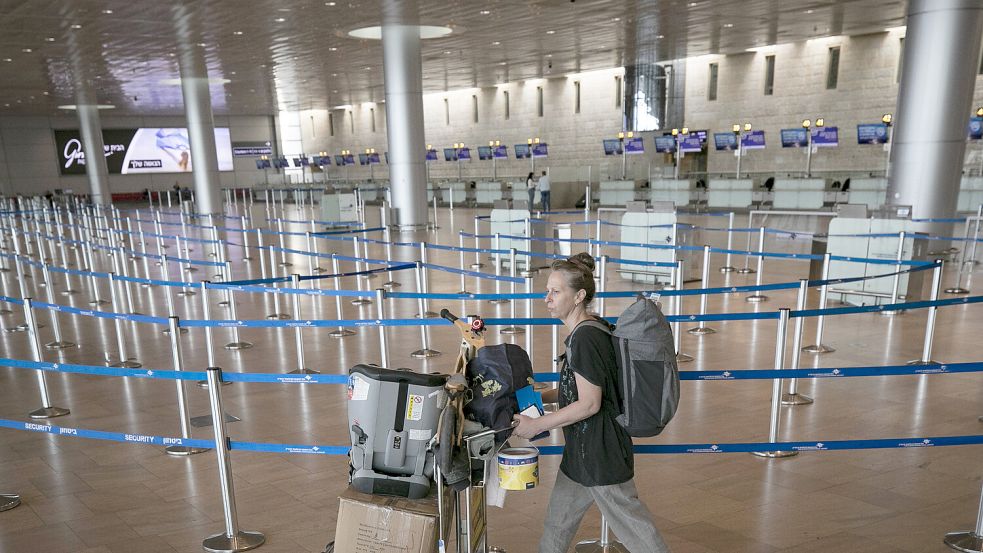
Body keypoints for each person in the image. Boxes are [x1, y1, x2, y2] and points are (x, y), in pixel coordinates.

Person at [513, 253, 671, 553]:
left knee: (638, 534)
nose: (547, 298)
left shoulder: (585, 339)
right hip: (581, 454)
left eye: (556, 291)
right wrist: (538, 398)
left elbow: (589, 403)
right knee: (557, 525)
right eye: (547, 290)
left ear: (579, 296)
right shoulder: (590, 329)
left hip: (601, 455)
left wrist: (536, 425)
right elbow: (578, 388)